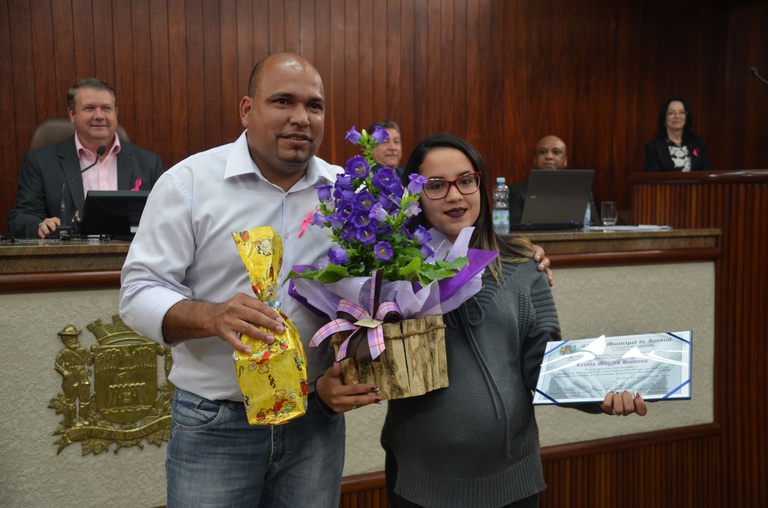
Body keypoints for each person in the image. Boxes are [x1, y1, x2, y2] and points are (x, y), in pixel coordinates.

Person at [121, 53, 553, 507]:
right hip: (218, 421)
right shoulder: (188, 183)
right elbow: (138, 292)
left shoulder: (350, 193)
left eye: (315, 106)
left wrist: (522, 255)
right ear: (247, 110)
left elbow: (421, 255)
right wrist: (211, 316)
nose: (300, 118)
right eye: (283, 101)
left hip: (314, 421)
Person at [378, 133, 647, 508]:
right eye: (436, 186)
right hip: (419, 482)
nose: (455, 195)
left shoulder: (523, 267)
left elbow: (544, 367)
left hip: (512, 483)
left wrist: (601, 393)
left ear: (481, 186)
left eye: (466, 181)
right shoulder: (391, 274)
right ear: (416, 196)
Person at [7, 78, 164, 239]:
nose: (99, 116)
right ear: (72, 114)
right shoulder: (40, 163)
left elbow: (165, 215)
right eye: (89, 108)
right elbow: (21, 216)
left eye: (106, 108)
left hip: (130, 259)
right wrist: (40, 226)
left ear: (115, 113)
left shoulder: (149, 163)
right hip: (67, 261)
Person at [509, 135, 600, 225]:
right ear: (535, 160)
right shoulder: (516, 192)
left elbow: (595, 227)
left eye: (556, 152)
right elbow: (515, 231)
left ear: (565, 161)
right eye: (542, 152)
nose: (549, 156)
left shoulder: (580, 192)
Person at [644, 97, 712, 172]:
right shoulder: (653, 147)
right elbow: (653, 178)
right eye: (671, 113)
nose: (677, 116)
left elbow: (706, 171)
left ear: (686, 118)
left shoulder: (698, 144)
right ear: (664, 119)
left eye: (681, 112)